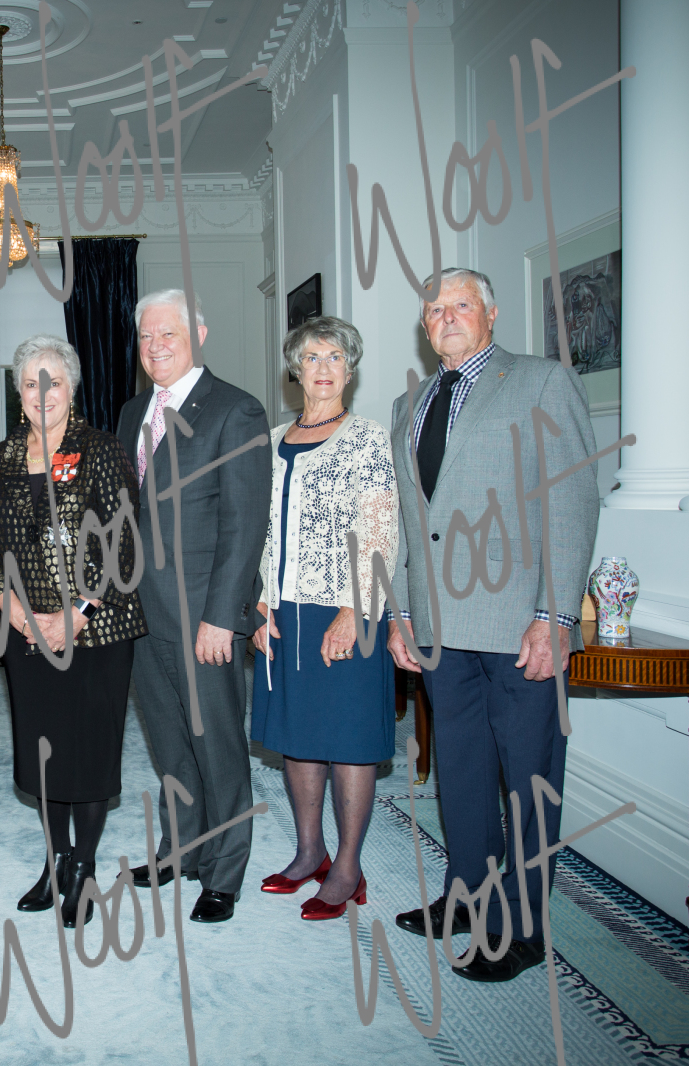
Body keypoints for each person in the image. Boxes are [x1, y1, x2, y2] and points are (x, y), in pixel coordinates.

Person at [386, 268, 599, 982]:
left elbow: (571, 500)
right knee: (462, 770)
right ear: (424, 324)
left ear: (492, 313)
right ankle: (468, 895)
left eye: (461, 304)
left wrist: (555, 614)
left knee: (529, 779)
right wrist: (400, 613)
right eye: (435, 308)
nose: (446, 317)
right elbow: (406, 520)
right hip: (439, 626)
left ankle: (524, 928)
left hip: (517, 623)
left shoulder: (540, 382)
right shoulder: (409, 402)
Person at [114, 289, 271, 924]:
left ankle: (225, 871)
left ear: (198, 334)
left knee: (218, 745)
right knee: (170, 743)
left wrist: (223, 617)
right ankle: (182, 848)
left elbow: (244, 524)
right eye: (146, 335)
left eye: (169, 334)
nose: (155, 346)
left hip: (203, 614)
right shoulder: (132, 411)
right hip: (140, 613)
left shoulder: (236, 410)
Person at [0, 335, 146, 928]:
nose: (42, 393)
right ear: (18, 392)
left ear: (71, 388)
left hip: (96, 627)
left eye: (53, 381)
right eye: (31, 382)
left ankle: (84, 866)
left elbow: (123, 538)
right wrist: (13, 610)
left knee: (89, 751)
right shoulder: (1, 456)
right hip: (27, 631)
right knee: (44, 753)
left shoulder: (100, 448)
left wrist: (75, 613)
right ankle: (55, 863)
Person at [249, 317, 398, 921]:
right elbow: (260, 532)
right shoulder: (271, 441)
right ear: (295, 369)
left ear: (350, 369)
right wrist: (259, 603)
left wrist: (354, 612)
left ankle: (348, 867)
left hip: (345, 609)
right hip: (285, 611)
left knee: (349, 740)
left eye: (335, 357)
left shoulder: (367, 439)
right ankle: (310, 851)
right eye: (312, 357)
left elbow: (380, 530)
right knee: (299, 734)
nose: (324, 368)